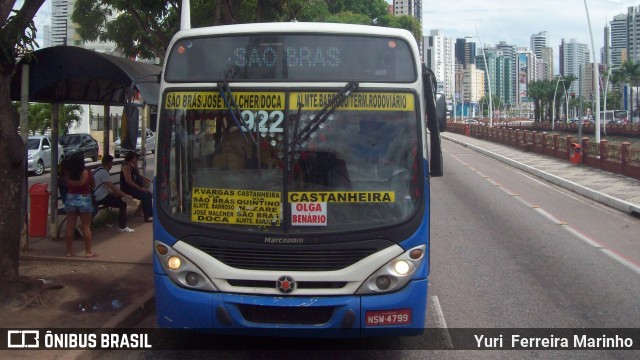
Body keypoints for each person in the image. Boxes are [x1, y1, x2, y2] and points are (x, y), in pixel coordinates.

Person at [64, 152, 97, 258]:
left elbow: (66, 184)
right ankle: (88, 251)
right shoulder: (88, 172)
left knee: (70, 225)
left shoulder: (68, 173)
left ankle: (69, 252)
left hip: (70, 197)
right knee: (86, 227)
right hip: (84, 198)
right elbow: (93, 185)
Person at [93, 155, 136, 233]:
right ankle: (122, 227)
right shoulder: (104, 172)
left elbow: (106, 188)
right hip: (101, 197)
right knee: (122, 203)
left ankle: (123, 225)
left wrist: (117, 194)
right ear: (109, 163)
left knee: (119, 198)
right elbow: (113, 187)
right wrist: (125, 195)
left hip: (97, 196)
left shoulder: (98, 170)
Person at [120, 152, 153, 222]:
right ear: (132, 158)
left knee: (148, 194)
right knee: (145, 195)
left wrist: (136, 165)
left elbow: (138, 174)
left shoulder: (131, 166)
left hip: (133, 188)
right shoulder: (126, 166)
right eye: (135, 159)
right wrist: (139, 188)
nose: (136, 160)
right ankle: (147, 216)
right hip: (127, 189)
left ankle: (150, 214)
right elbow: (128, 181)